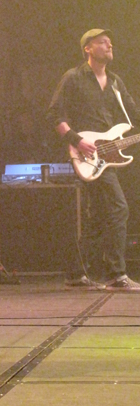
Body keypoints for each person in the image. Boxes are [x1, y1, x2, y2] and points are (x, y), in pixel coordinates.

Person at [48, 28, 140, 292]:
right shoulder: (73, 77)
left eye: (110, 42)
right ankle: (116, 275)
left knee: (98, 216)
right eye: (102, 42)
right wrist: (77, 140)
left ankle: (75, 273)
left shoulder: (115, 82)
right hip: (86, 153)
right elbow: (54, 115)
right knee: (119, 207)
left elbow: (133, 114)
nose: (109, 45)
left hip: (107, 155)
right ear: (87, 48)